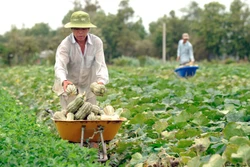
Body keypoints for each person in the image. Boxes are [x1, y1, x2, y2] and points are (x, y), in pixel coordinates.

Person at [52, 11, 109, 110]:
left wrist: (101, 82)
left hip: (88, 87)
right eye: (77, 29)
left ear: (88, 29)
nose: (80, 32)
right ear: (72, 29)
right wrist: (64, 81)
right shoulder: (65, 44)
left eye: (83, 29)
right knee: (70, 117)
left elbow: (101, 65)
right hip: (69, 88)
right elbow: (60, 66)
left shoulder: (96, 42)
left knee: (91, 117)